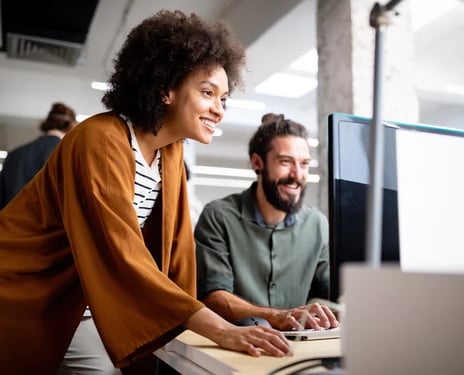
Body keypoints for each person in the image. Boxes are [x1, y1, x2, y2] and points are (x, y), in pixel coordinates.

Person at [0, 10, 293, 375]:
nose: (218, 109)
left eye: (223, 98)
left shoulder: (170, 153)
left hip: (83, 303)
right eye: (207, 92)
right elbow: (121, 251)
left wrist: (211, 322)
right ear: (165, 88)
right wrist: (218, 329)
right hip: (26, 293)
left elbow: (178, 256)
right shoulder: (100, 140)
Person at [195, 113, 340, 331]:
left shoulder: (317, 223)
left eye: (304, 164)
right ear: (257, 162)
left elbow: (331, 292)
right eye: (285, 162)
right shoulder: (219, 216)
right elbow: (214, 299)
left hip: (301, 346)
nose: (297, 174)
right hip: (236, 345)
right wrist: (278, 316)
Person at [0, 102, 77, 209]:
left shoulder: (14, 155)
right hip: (50, 224)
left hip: (11, 223)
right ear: (71, 127)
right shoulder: (68, 155)